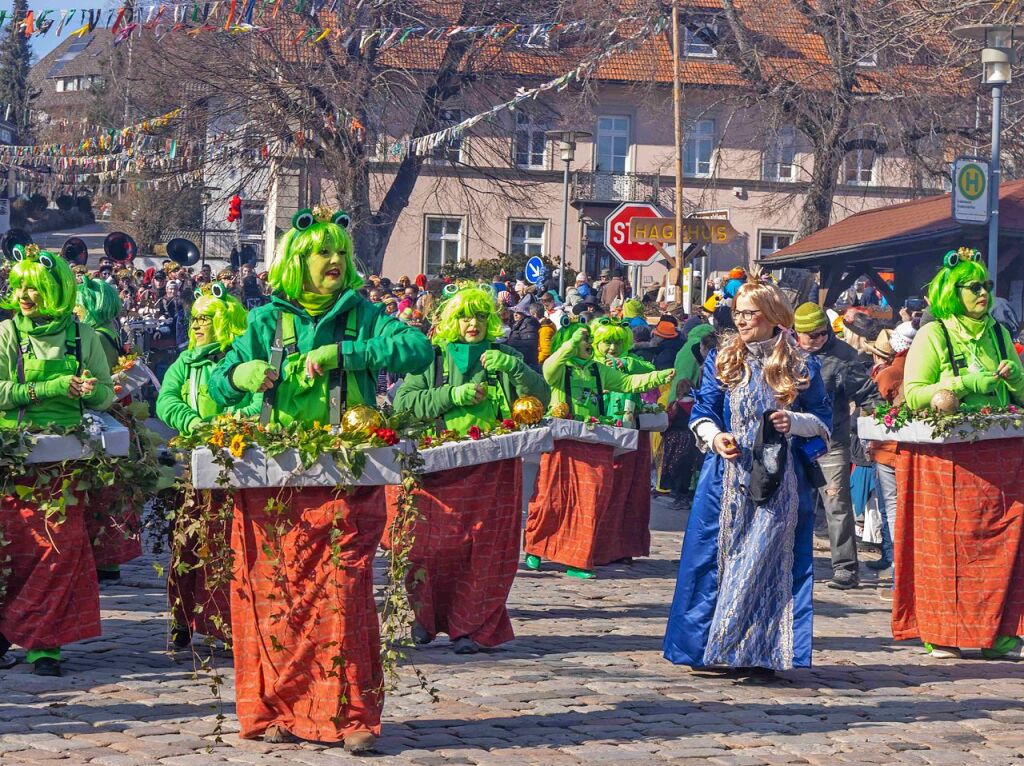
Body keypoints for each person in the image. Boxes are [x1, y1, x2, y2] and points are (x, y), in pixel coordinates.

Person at [208, 205, 432, 751]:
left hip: (345, 481)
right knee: (273, 595)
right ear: (297, 262)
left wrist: (346, 353)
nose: (333, 261)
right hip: (274, 485)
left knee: (345, 593)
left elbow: (419, 350)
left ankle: (353, 716)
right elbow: (217, 384)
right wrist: (242, 373)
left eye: (339, 252)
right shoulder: (264, 321)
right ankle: (279, 707)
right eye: (320, 253)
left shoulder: (363, 313)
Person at [664, 277, 831, 677]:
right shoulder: (723, 360)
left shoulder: (800, 364)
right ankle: (712, 649)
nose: (740, 319)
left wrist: (794, 421)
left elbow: (824, 421)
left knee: (766, 563)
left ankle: (760, 652)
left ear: (772, 316)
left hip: (780, 479)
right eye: (737, 312)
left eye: (749, 312)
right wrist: (715, 435)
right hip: (727, 478)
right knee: (718, 561)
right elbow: (704, 409)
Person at [392, 285, 549, 653]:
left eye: (479, 316)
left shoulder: (503, 355)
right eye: (464, 316)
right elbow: (405, 402)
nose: (472, 323)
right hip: (437, 470)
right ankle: (424, 616)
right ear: (451, 321)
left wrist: (516, 369)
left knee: (485, 550)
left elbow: (541, 398)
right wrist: (451, 396)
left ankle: (473, 626)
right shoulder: (431, 358)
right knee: (428, 547)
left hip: (492, 470)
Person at [898, 248, 1024, 660]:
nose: (984, 293)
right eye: (975, 287)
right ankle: (943, 631)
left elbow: (1019, 396)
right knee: (948, 546)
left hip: (1001, 461)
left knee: (1003, 548)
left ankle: (999, 633)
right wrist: (964, 383)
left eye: (987, 286)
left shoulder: (1000, 334)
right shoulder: (934, 335)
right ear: (954, 291)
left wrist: (1017, 378)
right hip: (948, 463)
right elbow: (913, 394)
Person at [0, 245, 115, 676]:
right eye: (19, 285)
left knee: (58, 551)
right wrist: (45, 390)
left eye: (34, 285)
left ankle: (44, 645)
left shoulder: (83, 337)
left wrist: (91, 391)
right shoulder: (9, 333)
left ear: (57, 288)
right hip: (14, 463)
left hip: (67, 464)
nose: (24, 294)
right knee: (15, 551)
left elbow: (107, 392)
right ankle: (9, 627)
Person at [524, 323, 674, 578]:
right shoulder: (562, 368)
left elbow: (627, 382)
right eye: (584, 340)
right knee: (552, 497)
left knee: (591, 498)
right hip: (564, 439)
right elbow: (548, 369)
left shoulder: (598, 369)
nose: (587, 344)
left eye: (587, 340)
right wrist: (569, 345)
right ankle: (536, 548)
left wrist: (659, 377)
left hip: (594, 440)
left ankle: (577, 559)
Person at [156, 284, 259, 650]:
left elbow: (258, 401)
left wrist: (227, 424)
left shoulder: (241, 359)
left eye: (207, 318)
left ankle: (229, 623)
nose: (198, 325)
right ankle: (182, 618)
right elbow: (165, 400)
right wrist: (192, 422)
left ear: (225, 322)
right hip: (190, 463)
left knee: (229, 543)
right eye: (196, 318)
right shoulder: (185, 362)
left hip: (235, 462)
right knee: (186, 541)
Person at [792, 302, 878, 590]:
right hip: (791, 439)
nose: (816, 339)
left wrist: (875, 422)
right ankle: (786, 561)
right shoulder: (785, 352)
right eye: (809, 335)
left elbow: (867, 393)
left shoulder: (845, 356)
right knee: (791, 503)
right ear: (796, 333)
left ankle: (845, 568)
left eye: (821, 333)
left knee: (836, 504)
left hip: (831, 441)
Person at [864, 321, 917, 598]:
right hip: (917, 451)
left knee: (894, 511)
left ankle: (899, 574)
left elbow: (872, 409)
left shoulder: (890, 373)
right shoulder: (922, 367)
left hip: (888, 450)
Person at [507, 296, 541, 370]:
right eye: (515, 312)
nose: (515, 314)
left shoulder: (528, 324)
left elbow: (529, 347)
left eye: (519, 313)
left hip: (525, 366)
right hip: (519, 363)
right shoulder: (519, 324)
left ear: (525, 314)